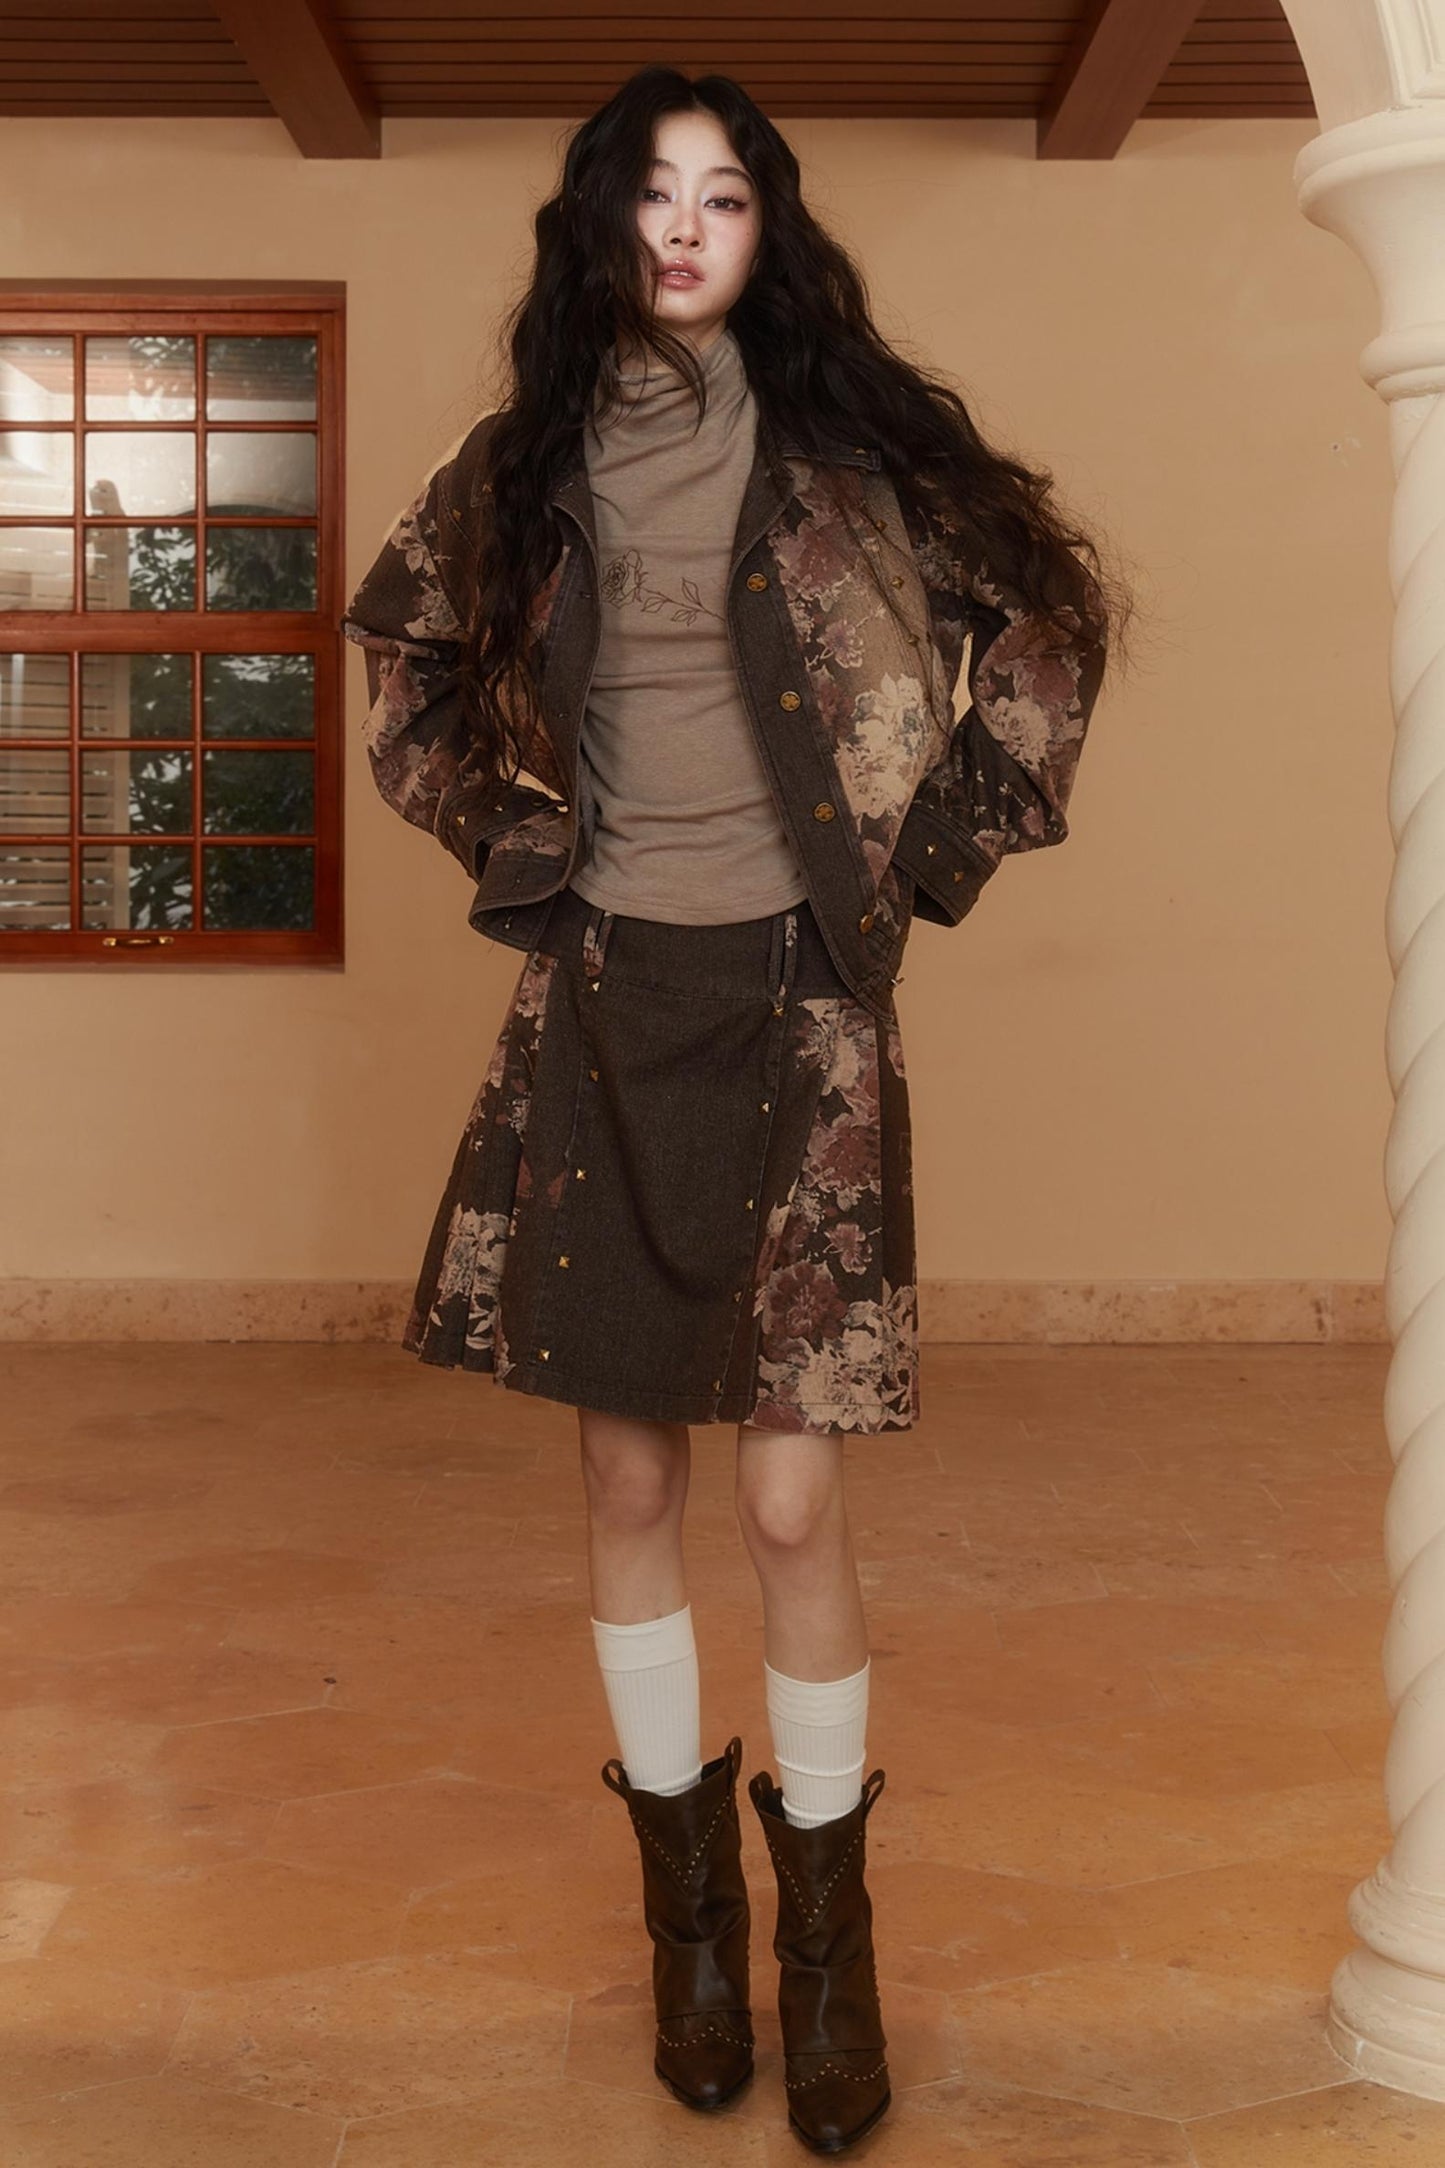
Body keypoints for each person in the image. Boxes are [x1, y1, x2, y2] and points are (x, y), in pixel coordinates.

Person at [343, 64, 1122, 2156]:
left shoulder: (859, 450)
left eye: (726, 197)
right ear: (600, 224)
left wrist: (930, 853)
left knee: (784, 1505)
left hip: (804, 1012)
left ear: (768, 230)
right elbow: (404, 667)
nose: (687, 229)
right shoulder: (518, 463)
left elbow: (1050, 625)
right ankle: (690, 1935)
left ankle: (827, 1952)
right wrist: (515, 842)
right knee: (626, 1484)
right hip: (604, 999)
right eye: (654, 195)